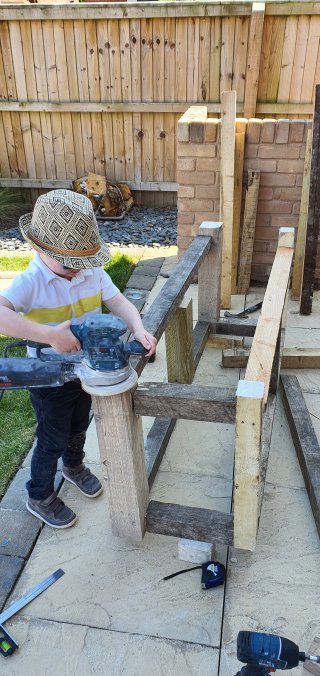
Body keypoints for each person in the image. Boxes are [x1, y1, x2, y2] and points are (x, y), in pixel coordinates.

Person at [0, 189, 157, 529]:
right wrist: (50, 335)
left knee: (79, 425)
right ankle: (39, 494)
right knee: (52, 436)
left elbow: (120, 304)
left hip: (86, 372)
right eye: (69, 262)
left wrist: (139, 328)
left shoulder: (92, 273)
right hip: (49, 376)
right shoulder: (30, 282)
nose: (76, 270)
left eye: (81, 262)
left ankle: (74, 466)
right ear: (41, 249)